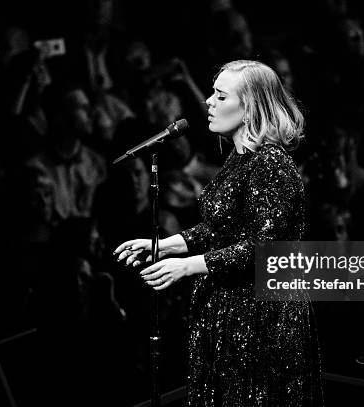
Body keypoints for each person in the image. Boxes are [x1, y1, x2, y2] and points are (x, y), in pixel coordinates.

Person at [114, 60, 323, 406]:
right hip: (230, 310)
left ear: (250, 106)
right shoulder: (241, 159)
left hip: (261, 319)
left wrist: (188, 266)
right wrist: (167, 246)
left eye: (220, 95)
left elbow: (263, 246)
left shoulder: (271, 165)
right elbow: (222, 227)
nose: (208, 101)